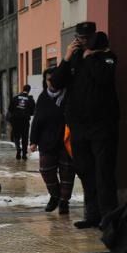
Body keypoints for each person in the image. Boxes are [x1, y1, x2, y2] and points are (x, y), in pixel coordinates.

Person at [51, 22, 119, 229]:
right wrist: (66, 57)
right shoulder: (75, 58)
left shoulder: (107, 57)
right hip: (79, 127)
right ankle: (92, 215)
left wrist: (90, 56)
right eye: (80, 37)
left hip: (102, 126)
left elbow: (104, 78)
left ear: (94, 36)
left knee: (104, 173)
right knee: (85, 171)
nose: (83, 41)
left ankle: (109, 218)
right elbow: (56, 83)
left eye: (87, 37)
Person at [29, 68, 75, 214]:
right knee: (46, 170)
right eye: (48, 79)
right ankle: (55, 196)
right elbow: (37, 120)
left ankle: (64, 201)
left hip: (66, 141)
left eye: (54, 79)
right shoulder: (43, 97)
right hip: (47, 141)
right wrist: (33, 140)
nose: (51, 82)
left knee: (67, 172)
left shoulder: (69, 95)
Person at [7, 84, 36, 160]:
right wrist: (27, 112)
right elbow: (33, 111)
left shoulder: (15, 98)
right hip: (25, 121)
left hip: (15, 121)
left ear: (23, 89)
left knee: (16, 136)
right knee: (24, 137)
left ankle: (18, 149)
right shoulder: (30, 99)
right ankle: (24, 154)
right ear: (29, 90)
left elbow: (10, 109)